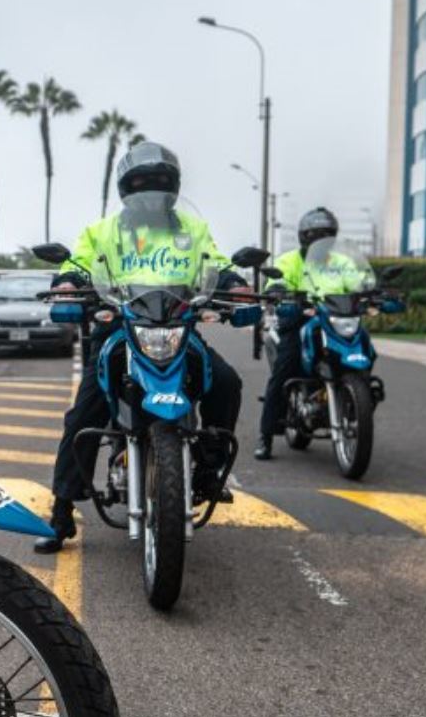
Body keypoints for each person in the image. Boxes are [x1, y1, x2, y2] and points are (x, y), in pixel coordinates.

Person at [35, 142, 245, 554]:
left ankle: (208, 468)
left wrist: (236, 287)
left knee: (226, 382)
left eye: (160, 185)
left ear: (173, 187)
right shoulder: (104, 230)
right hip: (118, 330)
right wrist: (67, 285)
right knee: (83, 414)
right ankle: (61, 513)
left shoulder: (191, 229)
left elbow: (216, 265)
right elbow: (78, 265)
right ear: (125, 190)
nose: (151, 194)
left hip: (178, 328)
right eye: (141, 186)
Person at [253, 207, 364, 460]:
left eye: (326, 236)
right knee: (284, 370)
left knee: (364, 349)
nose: (320, 241)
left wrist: (371, 294)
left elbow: (358, 284)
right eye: (315, 236)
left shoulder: (342, 263)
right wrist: (279, 290)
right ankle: (266, 435)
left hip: (335, 321)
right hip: (300, 322)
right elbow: (275, 283)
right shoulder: (290, 260)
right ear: (304, 237)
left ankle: (358, 400)